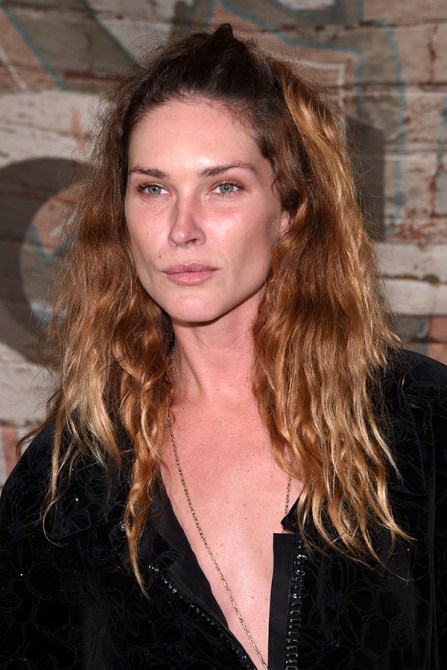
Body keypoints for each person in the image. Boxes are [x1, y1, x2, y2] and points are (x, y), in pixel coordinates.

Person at [0, 22, 445, 670]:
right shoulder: (70, 475)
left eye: (223, 186)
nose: (181, 229)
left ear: (289, 209)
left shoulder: (421, 421)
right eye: (153, 188)